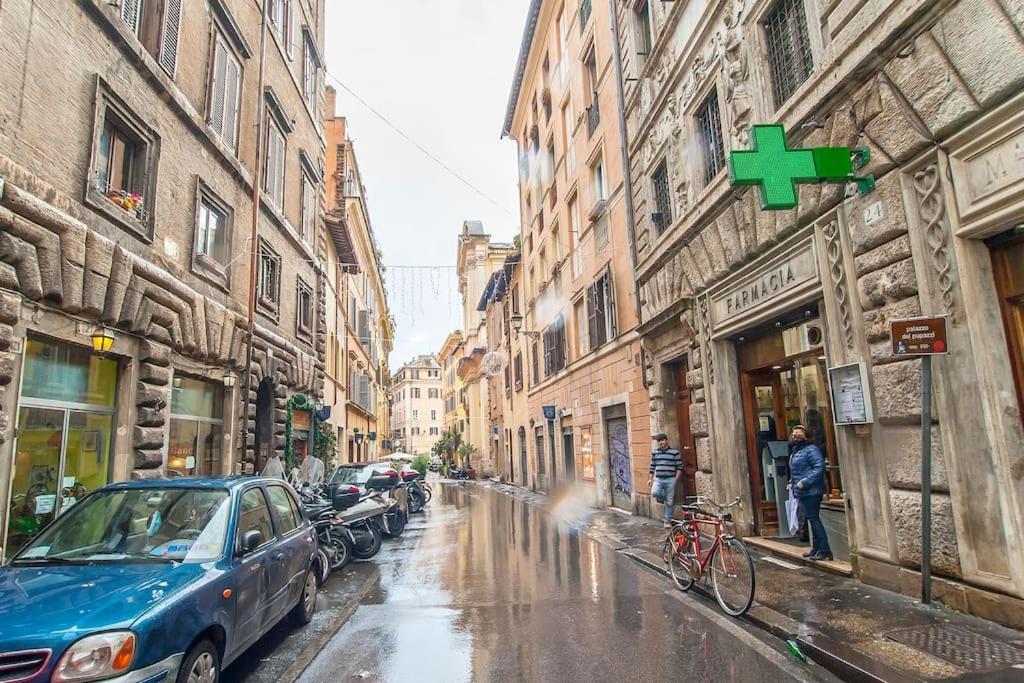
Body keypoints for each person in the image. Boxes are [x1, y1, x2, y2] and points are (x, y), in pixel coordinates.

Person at [788, 425, 832, 561]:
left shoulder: (811, 449)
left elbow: (819, 468)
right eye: (794, 435)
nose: (795, 438)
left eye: (799, 435)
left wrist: (804, 482)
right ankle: (816, 549)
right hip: (802, 491)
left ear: (806, 437)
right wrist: (792, 482)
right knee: (812, 519)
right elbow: (797, 470)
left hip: (811, 491)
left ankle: (824, 550)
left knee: (813, 519)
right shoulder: (796, 451)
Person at [648, 433, 682, 528]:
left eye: (662, 440)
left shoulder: (675, 452)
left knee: (670, 502)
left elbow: (679, 467)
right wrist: (650, 479)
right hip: (658, 479)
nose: (660, 443)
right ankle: (667, 499)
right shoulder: (655, 452)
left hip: (670, 479)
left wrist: (675, 479)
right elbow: (652, 467)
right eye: (659, 441)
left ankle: (667, 521)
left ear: (666, 440)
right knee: (655, 493)